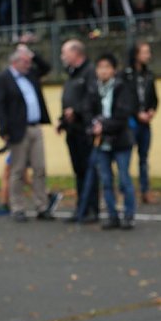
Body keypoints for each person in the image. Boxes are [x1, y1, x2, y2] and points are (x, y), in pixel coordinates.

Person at [0, 45, 54, 223]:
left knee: (39, 168)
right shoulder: (3, 79)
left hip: (35, 127)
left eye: (29, 61)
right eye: (25, 62)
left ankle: (42, 206)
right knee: (18, 170)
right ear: (15, 62)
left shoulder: (31, 75)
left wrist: (33, 53)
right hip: (18, 130)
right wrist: (3, 130)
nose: (29, 64)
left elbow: (46, 68)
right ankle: (18, 207)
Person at [88, 53, 137, 230]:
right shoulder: (94, 89)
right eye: (100, 67)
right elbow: (89, 112)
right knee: (106, 181)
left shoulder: (122, 87)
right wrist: (93, 126)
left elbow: (123, 115)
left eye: (107, 67)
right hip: (102, 143)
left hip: (121, 141)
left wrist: (104, 126)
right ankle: (112, 215)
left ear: (113, 70)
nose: (103, 71)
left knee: (124, 179)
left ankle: (129, 215)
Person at [59, 39, 99, 223]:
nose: (62, 56)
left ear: (76, 53)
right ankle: (80, 207)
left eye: (65, 52)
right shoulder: (71, 74)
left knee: (88, 169)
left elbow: (91, 97)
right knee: (78, 171)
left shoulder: (90, 71)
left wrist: (76, 111)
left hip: (85, 129)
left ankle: (91, 208)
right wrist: (63, 120)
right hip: (72, 129)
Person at [123, 41, 159, 204]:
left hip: (145, 123)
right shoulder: (125, 74)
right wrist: (137, 113)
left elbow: (154, 97)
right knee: (125, 158)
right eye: (145, 52)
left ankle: (145, 191)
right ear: (136, 54)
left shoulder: (149, 74)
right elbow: (123, 99)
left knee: (143, 159)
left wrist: (151, 110)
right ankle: (125, 191)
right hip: (131, 122)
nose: (148, 55)